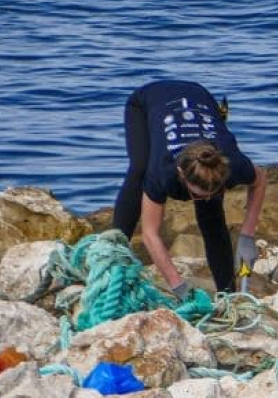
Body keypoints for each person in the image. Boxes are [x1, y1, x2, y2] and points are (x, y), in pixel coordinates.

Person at [111, 79, 267, 298]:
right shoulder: (162, 172)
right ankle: (112, 255)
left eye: (215, 189)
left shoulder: (232, 164)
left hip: (198, 94)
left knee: (211, 213)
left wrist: (247, 235)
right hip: (147, 100)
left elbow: (260, 181)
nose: (201, 198)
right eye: (196, 194)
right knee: (139, 171)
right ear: (182, 175)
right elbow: (150, 234)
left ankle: (227, 294)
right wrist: (180, 289)